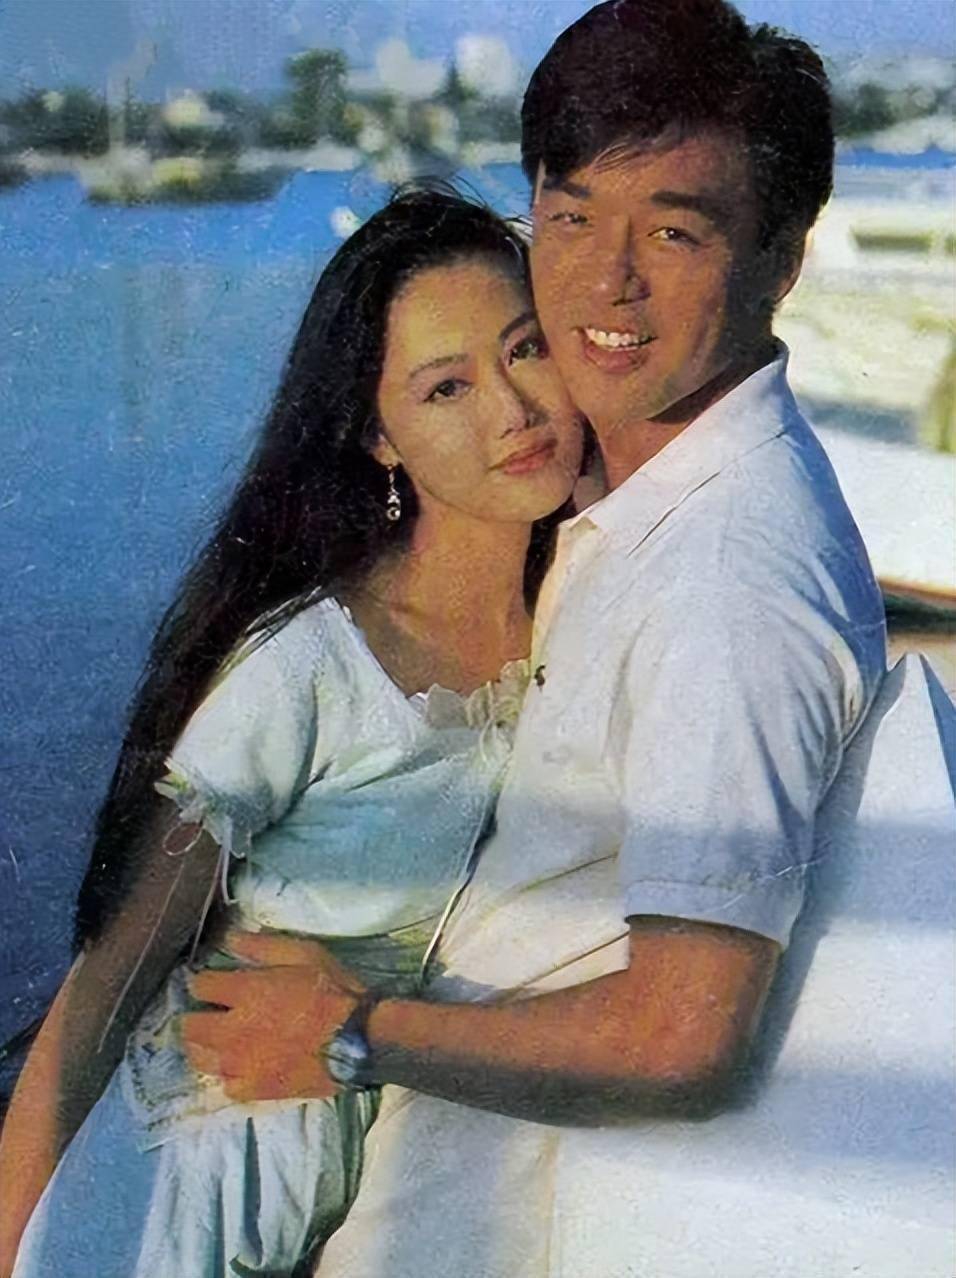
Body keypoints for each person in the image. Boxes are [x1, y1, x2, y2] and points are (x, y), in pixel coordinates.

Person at [170, 2, 954, 1275]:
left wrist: (348, 1032)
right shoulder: (630, 497)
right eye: (572, 215)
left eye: (673, 232)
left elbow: (683, 1036)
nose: (603, 282)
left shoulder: (723, 584)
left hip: (478, 1232)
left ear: (779, 259)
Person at [0, 186, 584, 1278]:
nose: (512, 410)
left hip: (369, 1191)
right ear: (377, 436)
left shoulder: (581, 602)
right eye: (446, 387)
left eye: (527, 349)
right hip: (185, 1191)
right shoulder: (314, 664)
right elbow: (109, 979)